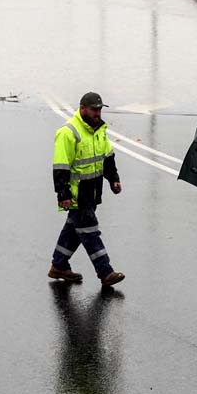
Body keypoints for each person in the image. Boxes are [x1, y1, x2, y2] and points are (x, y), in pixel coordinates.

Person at [48, 92, 125, 287]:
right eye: (94, 109)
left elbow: (107, 157)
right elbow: (61, 166)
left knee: (74, 230)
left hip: (93, 191)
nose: (97, 113)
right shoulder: (68, 132)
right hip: (76, 193)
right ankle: (105, 272)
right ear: (82, 108)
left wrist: (113, 179)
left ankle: (59, 265)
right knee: (90, 231)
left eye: (99, 109)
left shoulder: (99, 129)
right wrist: (63, 194)